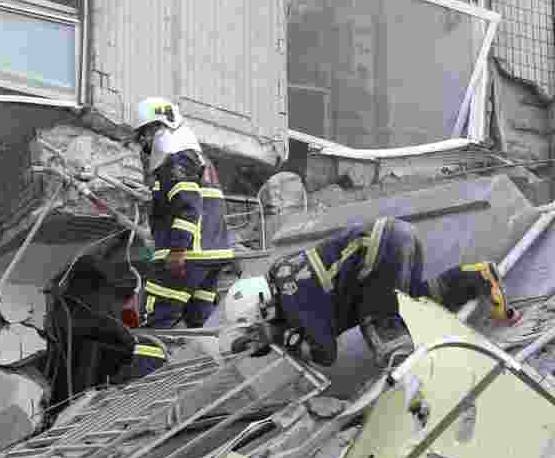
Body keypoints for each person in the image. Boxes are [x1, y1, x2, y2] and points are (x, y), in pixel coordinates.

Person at [223, 216, 519, 369]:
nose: (263, 329)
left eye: (259, 323)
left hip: (378, 250)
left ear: (261, 307)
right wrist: (271, 336)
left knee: (379, 324)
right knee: (418, 301)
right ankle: (477, 277)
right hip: (394, 237)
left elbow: (325, 353)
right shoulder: (284, 278)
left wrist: (280, 337)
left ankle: (414, 375)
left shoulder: (293, 300)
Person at [116, 97, 237, 382]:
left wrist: (177, 250)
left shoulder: (175, 159)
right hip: (212, 256)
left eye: (143, 135)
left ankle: (141, 384)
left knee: (156, 323)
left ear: (157, 128)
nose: (143, 144)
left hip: (188, 256)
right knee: (199, 322)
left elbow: (187, 206)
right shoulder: (196, 157)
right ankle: (208, 377)